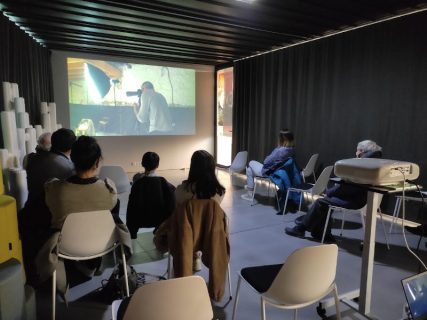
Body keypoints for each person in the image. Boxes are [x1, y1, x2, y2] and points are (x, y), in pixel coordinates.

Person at [39, 136, 131, 291]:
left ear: (72, 159)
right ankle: (92, 265)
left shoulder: (54, 190)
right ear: (97, 163)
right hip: (103, 245)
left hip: (65, 247)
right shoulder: (109, 191)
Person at [285, 140, 383, 242]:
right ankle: (323, 234)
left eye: (357, 151)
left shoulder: (362, 165)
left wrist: (330, 191)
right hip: (364, 198)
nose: (356, 153)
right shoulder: (375, 163)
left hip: (355, 200)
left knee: (321, 202)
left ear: (361, 151)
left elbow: (348, 187)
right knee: (326, 202)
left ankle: (301, 229)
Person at [19, 128, 76, 286]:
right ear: (72, 148)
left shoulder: (31, 159)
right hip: (51, 222)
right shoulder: (69, 169)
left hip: (29, 218)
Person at [126, 152, 176, 238]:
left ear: (142, 164)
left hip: (140, 220)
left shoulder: (137, 184)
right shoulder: (163, 182)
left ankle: (132, 238)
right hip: (160, 219)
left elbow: (131, 207)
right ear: (157, 165)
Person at [241, 129, 295, 201]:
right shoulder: (291, 149)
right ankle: (250, 190)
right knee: (249, 170)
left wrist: (273, 153)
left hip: (268, 172)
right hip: (278, 172)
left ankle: (250, 191)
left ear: (281, 139)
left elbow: (266, 161)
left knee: (251, 162)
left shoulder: (279, 151)